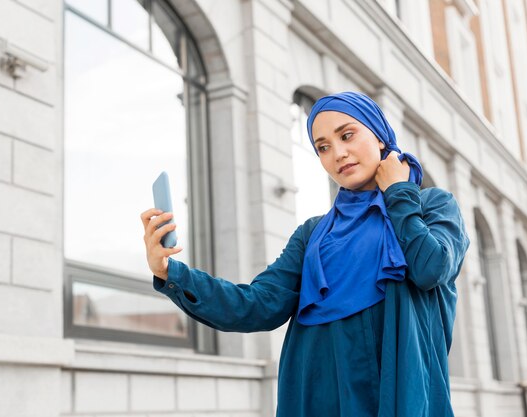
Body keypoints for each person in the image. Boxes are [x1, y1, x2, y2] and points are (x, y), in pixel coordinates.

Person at [140, 91, 470, 417]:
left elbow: (431, 268)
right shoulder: (313, 235)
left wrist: (398, 192)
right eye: (323, 147)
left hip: (396, 400)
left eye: (347, 135)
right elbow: (256, 305)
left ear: (381, 136)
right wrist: (171, 272)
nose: (338, 153)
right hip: (316, 399)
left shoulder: (432, 207)